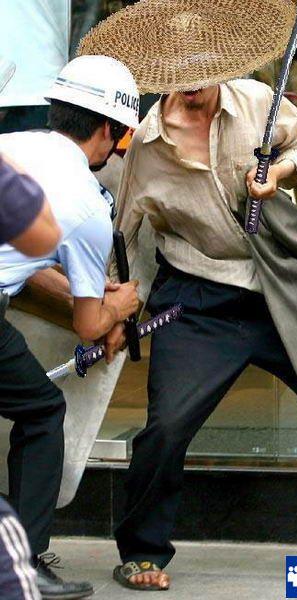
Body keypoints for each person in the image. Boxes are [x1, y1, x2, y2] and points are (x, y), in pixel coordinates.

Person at [80, 1, 297, 592]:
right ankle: (141, 550)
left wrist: (278, 175)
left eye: (202, 69)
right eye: (181, 72)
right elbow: (124, 235)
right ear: (166, 72)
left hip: (274, 288)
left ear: (219, 63)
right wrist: (115, 310)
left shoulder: (258, 102)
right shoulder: (148, 146)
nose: (192, 82)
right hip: (195, 302)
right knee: (167, 429)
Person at [0, 54, 140, 599]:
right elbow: (88, 326)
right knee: (42, 412)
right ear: (106, 128)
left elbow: (21, 261)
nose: (117, 147)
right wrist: (119, 307)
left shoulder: (14, 145)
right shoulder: (87, 205)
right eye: (121, 135)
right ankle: (23, 565)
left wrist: (87, 289)